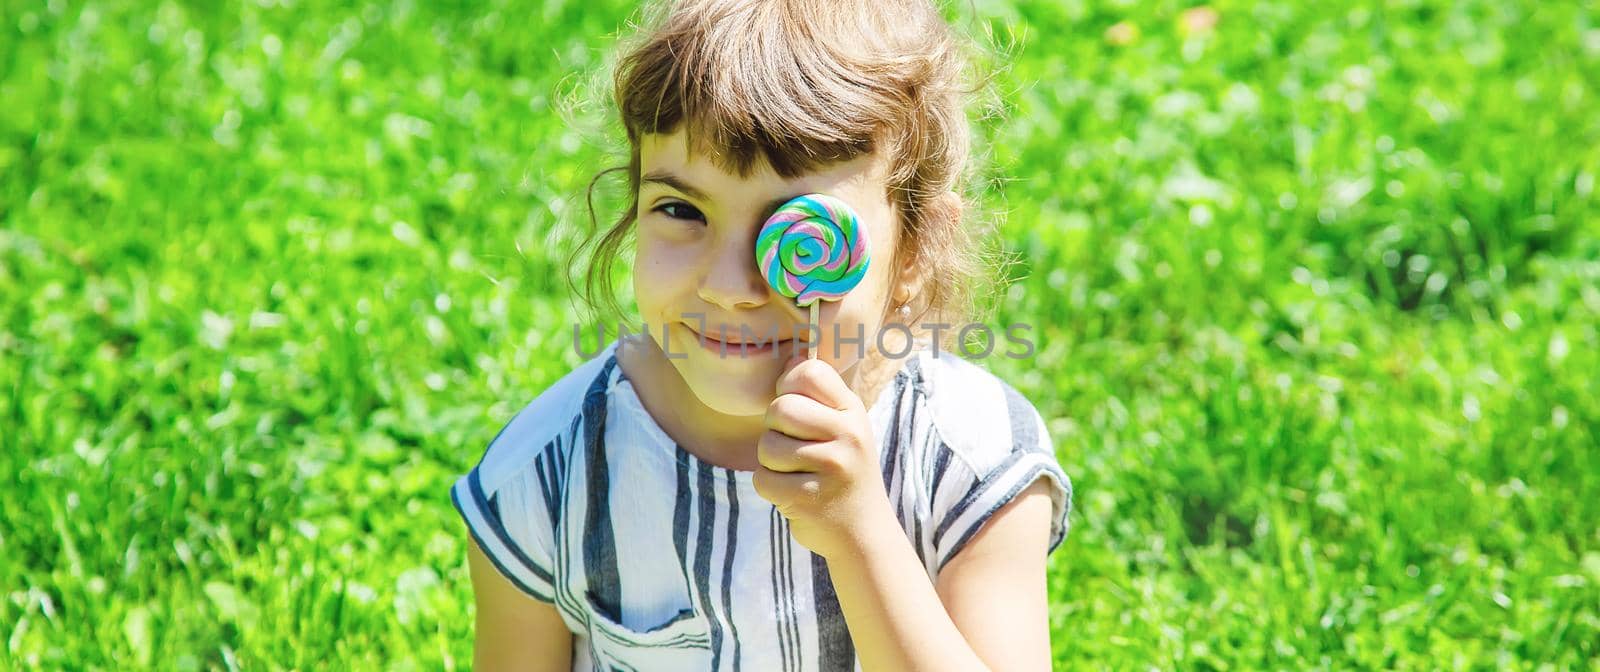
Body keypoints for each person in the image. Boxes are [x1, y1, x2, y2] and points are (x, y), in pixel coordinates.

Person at [449, 1, 1072, 669]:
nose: (730, 285)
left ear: (917, 249)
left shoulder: (972, 462)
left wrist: (861, 536)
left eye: (794, 227)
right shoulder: (552, 473)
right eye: (682, 209)